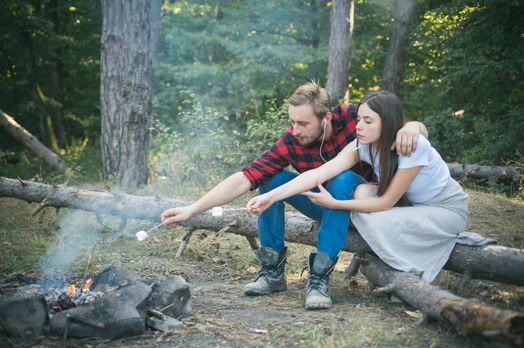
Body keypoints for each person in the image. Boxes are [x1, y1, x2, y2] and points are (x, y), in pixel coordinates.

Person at [161, 82, 427, 310]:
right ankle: (272, 271)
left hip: (366, 208)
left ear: (327, 118)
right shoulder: (291, 141)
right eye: (292, 122)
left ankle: (320, 277)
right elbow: (245, 177)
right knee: (272, 178)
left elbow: (402, 125)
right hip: (324, 206)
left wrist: (413, 127)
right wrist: (193, 209)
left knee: (342, 178)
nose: (295, 129)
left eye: (303, 123)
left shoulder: (355, 119)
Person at [247, 90, 494, 296]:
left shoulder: (412, 146)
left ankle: (424, 275)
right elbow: (317, 174)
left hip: (444, 209)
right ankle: (272, 273)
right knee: (356, 194)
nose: (359, 126)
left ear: (386, 122)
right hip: (409, 206)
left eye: (368, 121)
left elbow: (387, 200)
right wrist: (272, 196)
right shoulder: (361, 145)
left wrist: (335, 203)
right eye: (359, 119)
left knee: (359, 202)